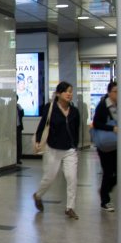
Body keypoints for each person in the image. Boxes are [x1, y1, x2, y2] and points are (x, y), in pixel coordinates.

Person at [32, 81, 81, 219]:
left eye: (71, 91)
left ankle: (70, 207)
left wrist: (75, 145)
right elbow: (43, 124)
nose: (69, 94)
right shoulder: (50, 108)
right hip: (52, 149)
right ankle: (38, 195)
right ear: (58, 93)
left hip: (69, 150)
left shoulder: (74, 111)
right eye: (66, 91)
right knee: (49, 178)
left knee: (72, 178)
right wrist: (37, 141)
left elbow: (76, 130)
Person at [92, 80, 117, 212]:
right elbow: (96, 123)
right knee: (108, 172)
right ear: (109, 92)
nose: (117, 94)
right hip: (105, 145)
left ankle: (104, 190)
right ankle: (105, 200)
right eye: (115, 91)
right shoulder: (103, 106)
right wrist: (112, 128)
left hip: (117, 144)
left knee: (116, 173)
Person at [16, 95, 24, 165]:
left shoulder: (18, 106)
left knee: (19, 143)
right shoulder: (9, 105)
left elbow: (22, 115)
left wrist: (21, 109)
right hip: (11, 128)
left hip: (18, 127)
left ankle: (18, 158)